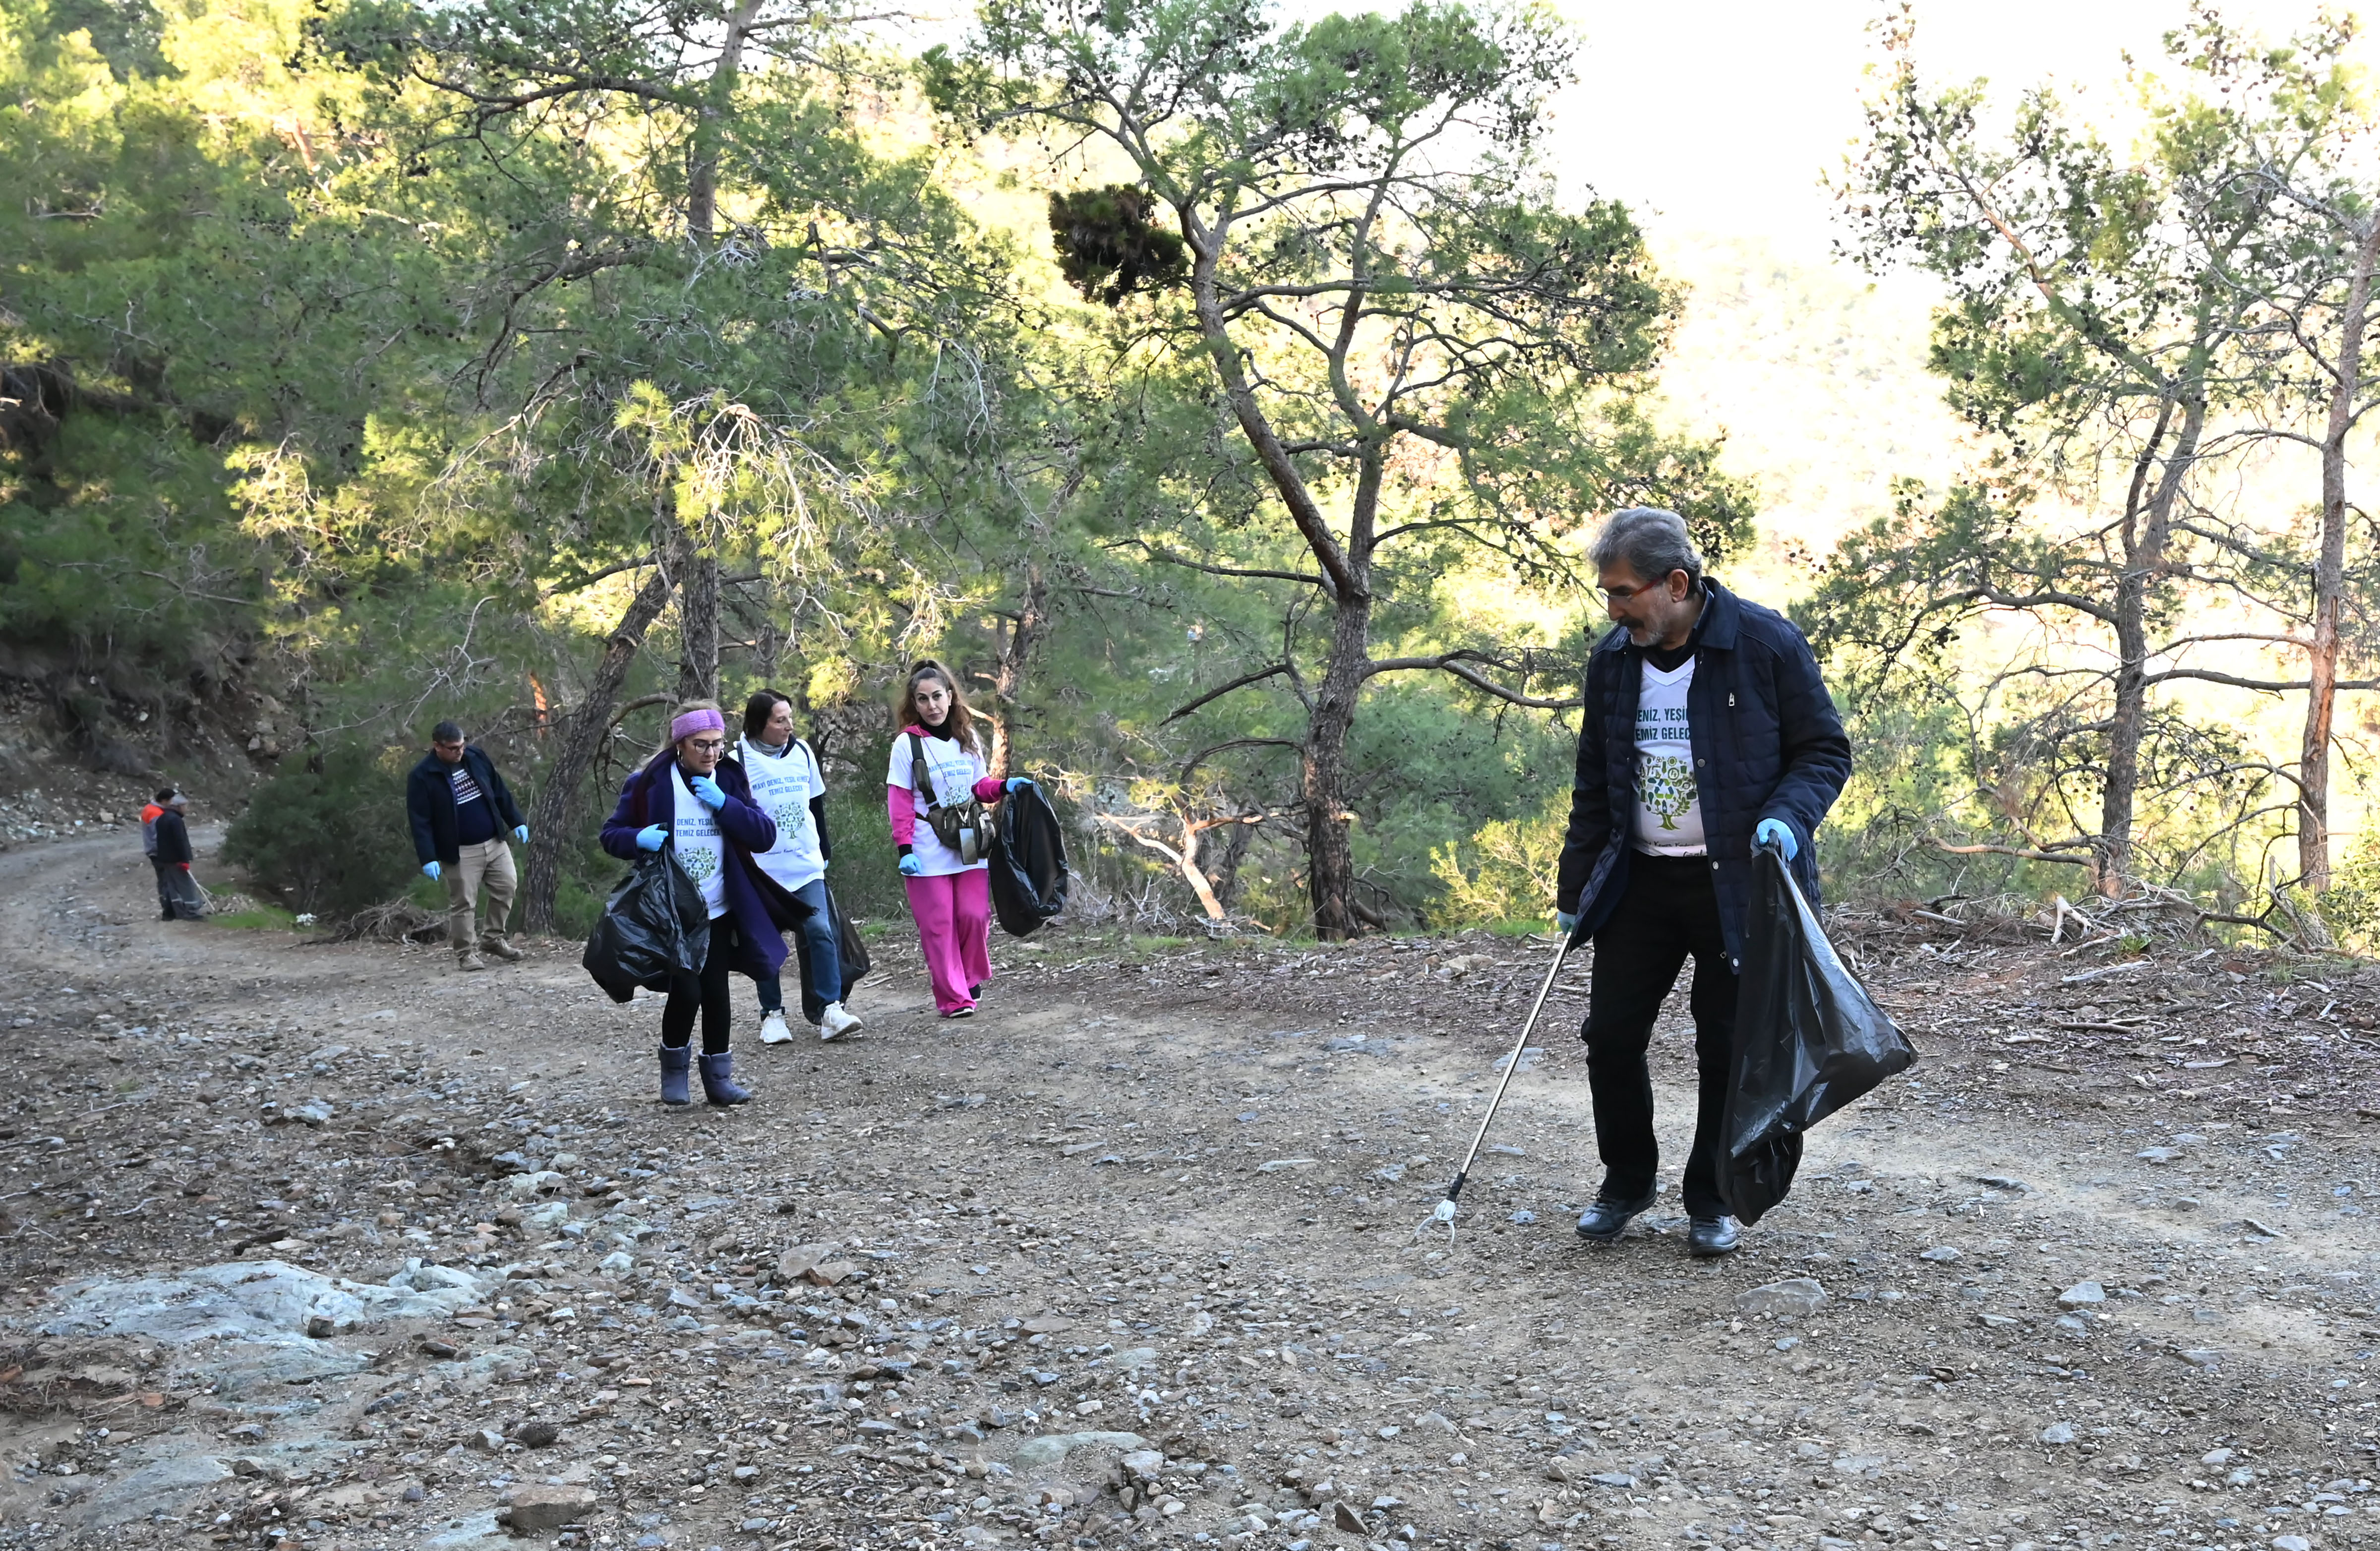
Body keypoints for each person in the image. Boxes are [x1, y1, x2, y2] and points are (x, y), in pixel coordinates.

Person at [1553, 507, 1851, 1258]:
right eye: (1608, 595)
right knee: (1611, 1038)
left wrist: (1787, 818)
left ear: (1676, 583)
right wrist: (1573, 890)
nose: (1614, 610)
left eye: (1623, 593)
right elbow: (1595, 783)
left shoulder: (1763, 643)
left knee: (1726, 1048)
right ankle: (1626, 1182)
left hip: (1741, 887)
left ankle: (1711, 1199)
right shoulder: (1613, 662)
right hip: (1640, 885)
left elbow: (1823, 752)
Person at [601, 700, 799, 1105]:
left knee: (716, 993)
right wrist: (637, 839)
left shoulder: (727, 779)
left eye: (717, 745)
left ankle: (719, 1079)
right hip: (673, 911)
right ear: (679, 745)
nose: (711, 754)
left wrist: (725, 804)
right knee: (687, 991)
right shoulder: (649, 783)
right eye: (701, 745)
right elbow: (612, 834)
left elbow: (764, 834)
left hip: (720, 908)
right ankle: (674, 1071)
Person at [886, 660, 1035, 1019]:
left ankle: (969, 978)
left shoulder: (967, 739)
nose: (931, 706)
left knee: (974, 915)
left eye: (937, 697)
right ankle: (954, 998)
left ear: (950, 697)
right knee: (938, 924)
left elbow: (979, 788)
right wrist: (905, 848)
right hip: (925, 842)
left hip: (968, 835)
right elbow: (900, 800)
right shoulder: (907, 745)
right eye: (922, 700)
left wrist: (1005, 787)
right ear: (914, 704)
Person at [726, 690, 862, 1044]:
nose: (789, 726)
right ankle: (772, 1015)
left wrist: (825, 849)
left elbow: (815, 804)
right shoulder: (736, 760)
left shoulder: (802, 752)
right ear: (760, 724)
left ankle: (830, 1009)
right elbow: (733, 816)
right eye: (780, 720)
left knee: (820, 931)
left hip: (805, 866)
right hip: (763, 872)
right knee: (765, 942)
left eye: (790, 718)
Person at [405, 720, 530, 972]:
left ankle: (493, 940)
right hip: (460, 851)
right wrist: (428, 857)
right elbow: (420, 820)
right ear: (437, 747)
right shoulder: (423, 776)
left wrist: (516, 820)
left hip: (494, 840)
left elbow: (498, 789)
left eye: (462, 746)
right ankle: (466, 954)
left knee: (507, 886)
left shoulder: (475, 757)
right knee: (464, 902)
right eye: (453, 748)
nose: (459, 752)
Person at [146, 789, 204, 921]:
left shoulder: (162, 818)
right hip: (177, 859)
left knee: (172, 887)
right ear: (179, 806)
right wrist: (184, 859)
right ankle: (191, 912)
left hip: (165, 859)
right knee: (186, 885)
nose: (186, 809)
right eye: (185, 806)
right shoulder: (176, 820)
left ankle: (178, 912)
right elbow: (180, 841)